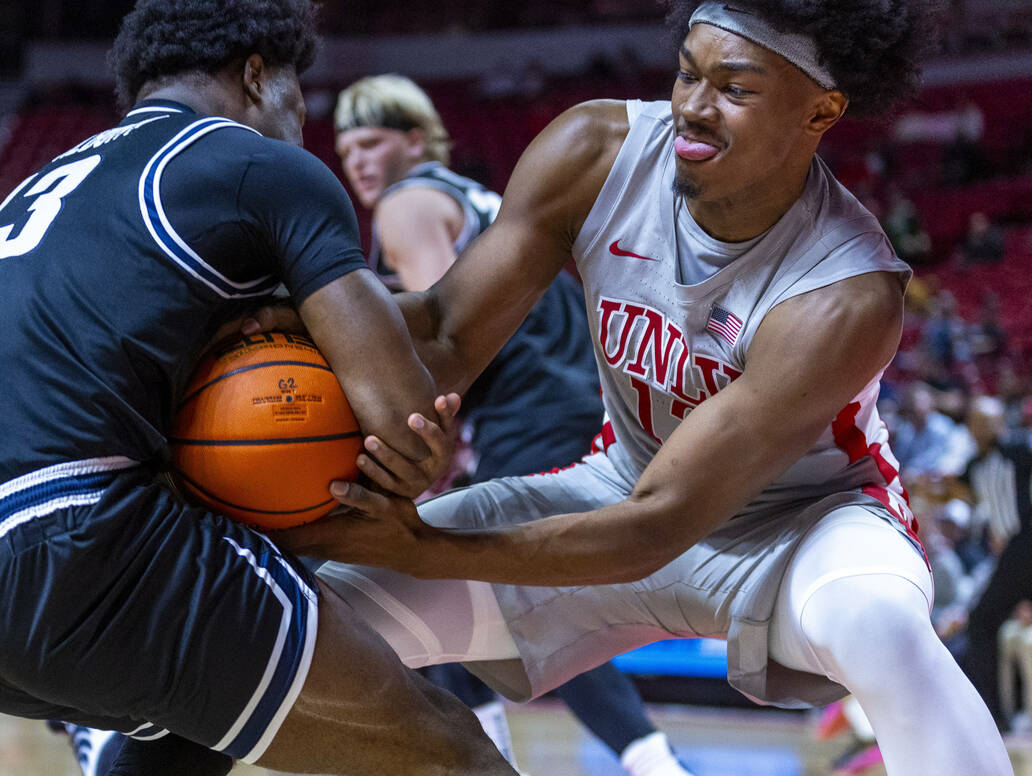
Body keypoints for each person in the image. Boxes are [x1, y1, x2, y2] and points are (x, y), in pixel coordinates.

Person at [266, 3, 1015, 775]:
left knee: (879, 622)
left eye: (735, 88)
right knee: (283, 622)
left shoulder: (847, 289)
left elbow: (658, 527)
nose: (693, 103)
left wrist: (426, 546)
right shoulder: (596, 150)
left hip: (802, 528)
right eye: (689, 71)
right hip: (620, 483)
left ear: (821, 108)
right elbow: (442, 339)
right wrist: (269, 314)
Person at [0, 2, 517, 775]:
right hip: (75, 556)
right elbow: (405, 423)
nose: (301, 117)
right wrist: (394, 442)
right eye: (298, 89)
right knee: (451, 752)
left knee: (192, 739)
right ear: (257, 73)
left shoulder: (46, 179)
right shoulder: (262, 168)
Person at [333, 72, 692, 776]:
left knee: (483, 596)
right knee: (470, 606)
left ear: (415, 140)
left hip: (536, 411)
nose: (360, 164)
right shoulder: (478, 198)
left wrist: (415, 450)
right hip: (591, 400)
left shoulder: (407, 208)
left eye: (373, 143)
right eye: (347, 151)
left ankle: (652, 762)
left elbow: (449, 347)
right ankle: (514, 755)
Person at [961, 396, 1032, 732]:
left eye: (985, 421)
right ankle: (993, 714)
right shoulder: (974, 465)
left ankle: (994, 715)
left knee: (981, 622)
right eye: (975, 422)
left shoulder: (1019, 450)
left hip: (1025, 545)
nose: (979, 428)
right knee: (980, 624)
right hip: (1010, 555)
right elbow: (951, 488)